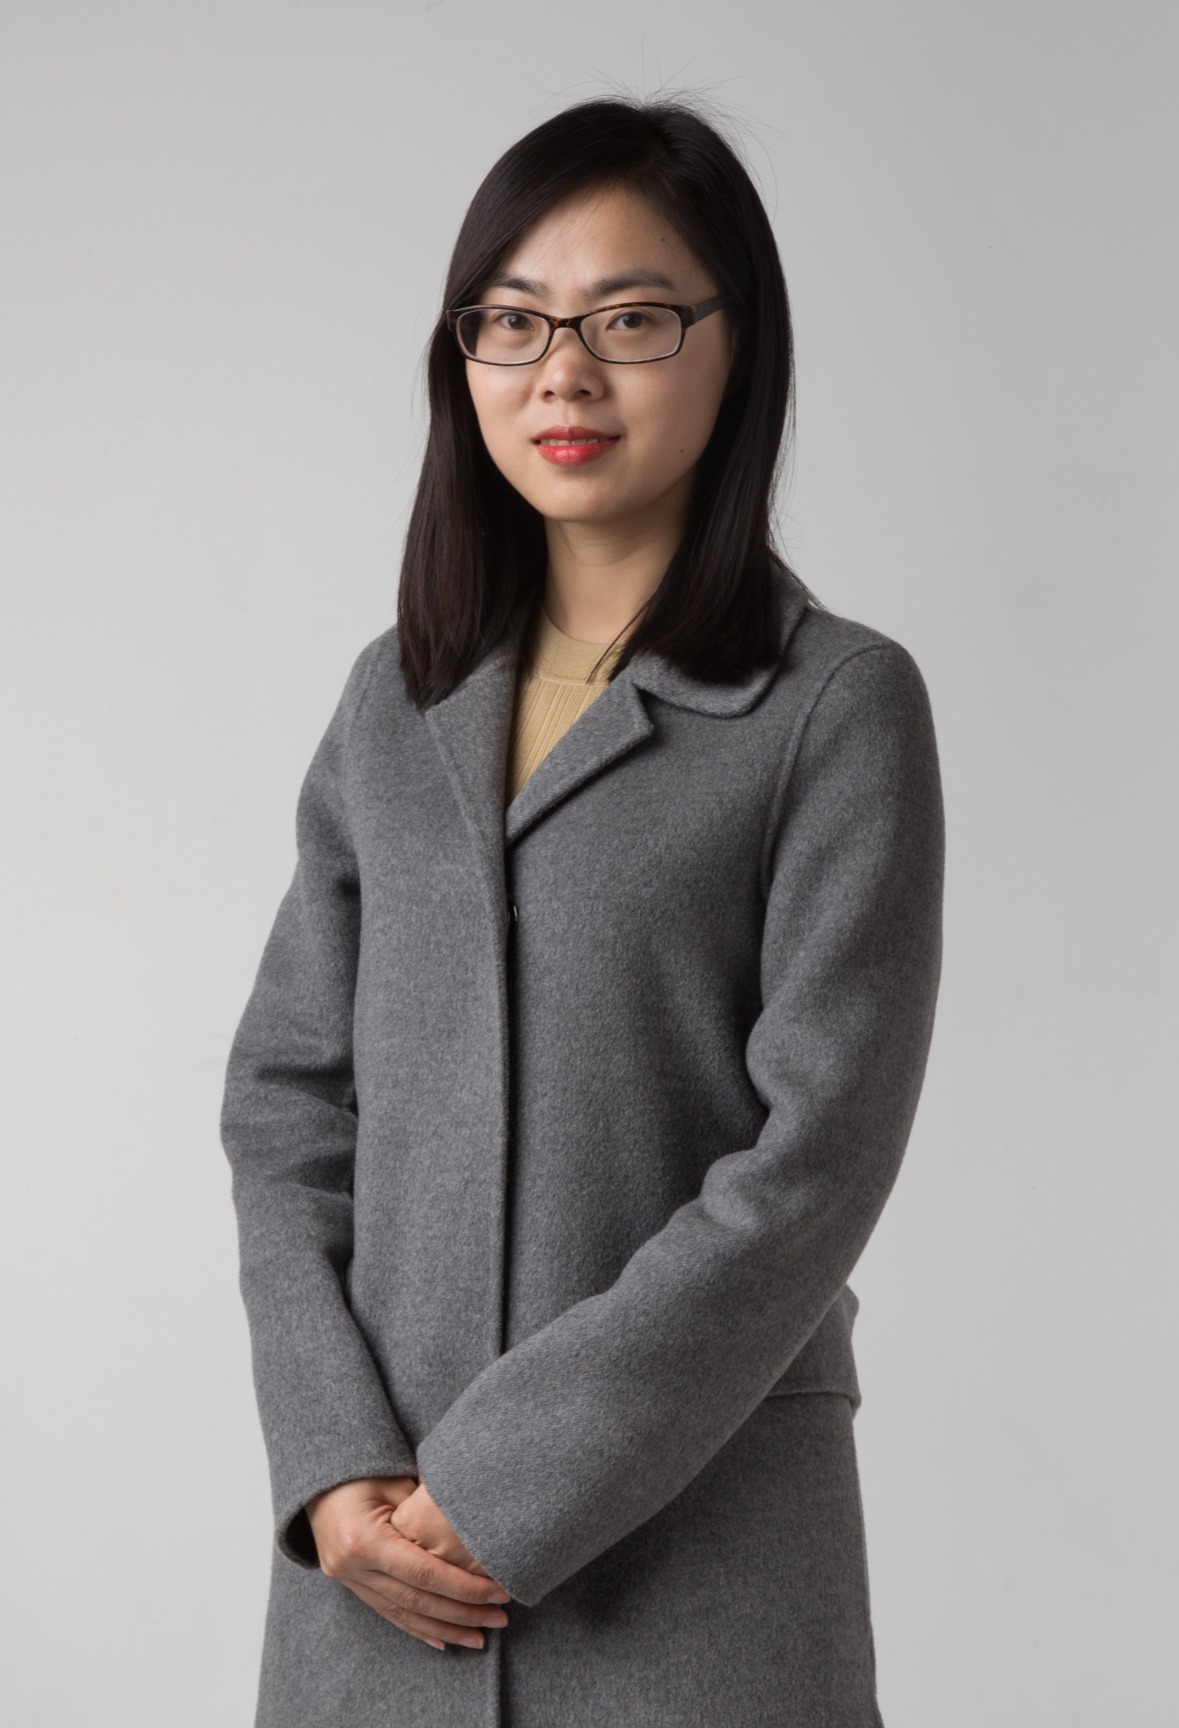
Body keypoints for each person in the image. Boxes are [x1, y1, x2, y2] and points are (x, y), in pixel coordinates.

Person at [220, 94, 945, 1728]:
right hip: (373, 1585)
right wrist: (332, 1464)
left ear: (736, 345)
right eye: (514, 320)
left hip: (696, 1582)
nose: (563, 373)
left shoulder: (833, 709)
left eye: (629, 318)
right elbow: (285, 1102)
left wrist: (504, 1482)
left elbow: (816, 1163)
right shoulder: (392, 705)